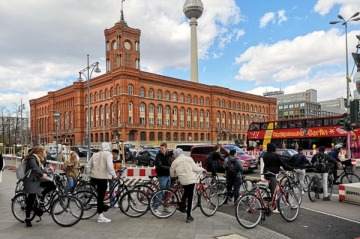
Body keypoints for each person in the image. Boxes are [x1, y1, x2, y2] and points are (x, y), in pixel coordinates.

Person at [170, 148, 206, 222]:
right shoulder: (188, 158)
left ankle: (181, 204)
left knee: (186, 192)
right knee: (190, 198)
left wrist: (177, 175)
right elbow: (195, 168)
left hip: (183, 181)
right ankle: (189, 216)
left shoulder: (175, 162)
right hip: (191, 180)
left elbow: (172, 173)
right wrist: (203, 169)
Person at [86, 142, 118, 223]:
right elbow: (110, 166)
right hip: (102, 178)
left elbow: (88, 166)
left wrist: (89, 175)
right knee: (101, 197)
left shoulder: (95, 154)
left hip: (94, 177)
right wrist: (115, 176)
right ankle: (100, 216)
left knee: (98, 195)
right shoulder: (108, 154)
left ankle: (99, 206)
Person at [22, 147, 48, 228]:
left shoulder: (38, 158)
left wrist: (47, 173)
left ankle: (40, 200)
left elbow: (41, 167)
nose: (44, 153)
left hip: (36, 179)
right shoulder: (32, 158)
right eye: (43, 152)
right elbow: (35, 168)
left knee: (51, 185)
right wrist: (42, 174)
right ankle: (28, 219)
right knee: (31, 199)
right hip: (30, 181)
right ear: (39, 152)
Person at [153, 142, 173, 215]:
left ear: (166, 148)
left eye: (162, 148)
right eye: (160, 148)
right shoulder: (158, 155)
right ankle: (155, 208)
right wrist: (170, 168)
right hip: (162, 175)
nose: (161, 149)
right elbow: (160, 165)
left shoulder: (168, 154)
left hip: (168, 175)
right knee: (161, 192)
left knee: (168, 192)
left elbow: (174, 154)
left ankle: (165, 207)